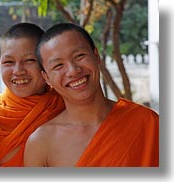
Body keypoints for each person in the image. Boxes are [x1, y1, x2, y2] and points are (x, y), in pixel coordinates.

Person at [24, 22, 159, 167]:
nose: (73, 71)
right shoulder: (41, 144)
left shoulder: (147, 122)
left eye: (79, 56)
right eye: (58, 65)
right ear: (47, 78)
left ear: (96, 56)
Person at [0, 23, 65, 167]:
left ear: (46, 63)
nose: (18, 71)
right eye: (9, 62)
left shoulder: (65, 105)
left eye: (29, 60)